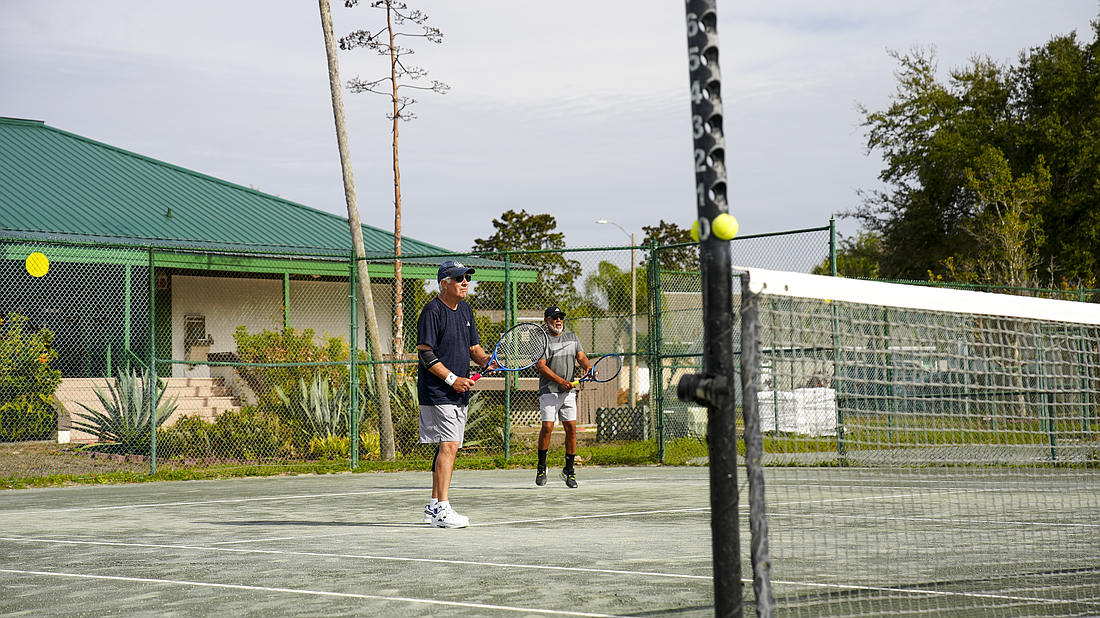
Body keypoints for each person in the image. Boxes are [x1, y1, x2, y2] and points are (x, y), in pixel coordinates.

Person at [416, 260, 497, 528]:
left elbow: (474, 347)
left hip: (457, 391)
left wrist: (486, 360)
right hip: (438, 391)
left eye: (467, 278)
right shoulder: (432, 311)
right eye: (459, 278)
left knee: (446, 447)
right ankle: (443, 509)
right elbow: (426, 353)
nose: (465, 282)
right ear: (444, 283)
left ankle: (432, 506)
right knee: (450, 446)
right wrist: (453, 380)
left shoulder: (465, 310)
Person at [534, 306, 592, 488]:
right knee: (548, 427)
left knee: (572, 429)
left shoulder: (572, 338)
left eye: (560, 317)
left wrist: (587, 368)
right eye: (554, 318)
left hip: (568, 393)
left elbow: (581, 357)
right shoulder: (541, 341)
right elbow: (541, 366)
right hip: (549, 391)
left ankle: (569, 471)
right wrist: (560, 381)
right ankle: (541, 467)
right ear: (546, 320)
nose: (558, 320)